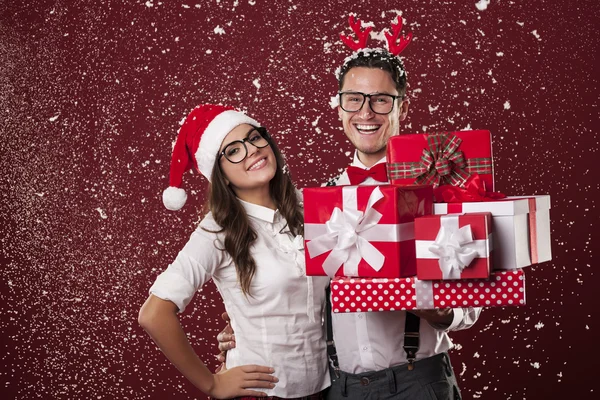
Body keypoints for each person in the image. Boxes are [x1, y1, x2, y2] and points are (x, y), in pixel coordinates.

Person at [217, 16, 481, 400]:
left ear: (402, 108)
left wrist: (442, 311)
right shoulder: (311, 205)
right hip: (338, 387)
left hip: (417, 382)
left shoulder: (439, 189)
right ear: (339, 108)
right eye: (354, 99)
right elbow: (294, 292)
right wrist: (247, 326)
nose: (366, 112)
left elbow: (472, 302)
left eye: (381, 100)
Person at [138, 104, 330, 399]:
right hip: (265, 393)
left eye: (254, 138)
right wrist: (211, 384)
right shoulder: (218, 230)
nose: (252, 150)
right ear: (221, 175)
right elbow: (154, 314)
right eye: (233, 151)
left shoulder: (310, 208)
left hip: (327, 387)